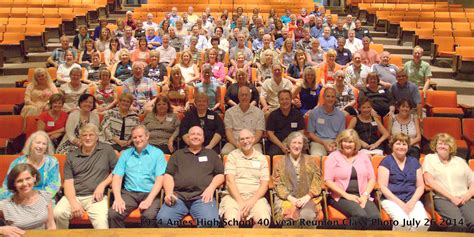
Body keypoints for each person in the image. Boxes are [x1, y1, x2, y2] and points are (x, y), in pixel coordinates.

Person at [156, 126, 224, 228]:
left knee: (211, 222)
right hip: (178, 197)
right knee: (163, 220)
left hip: (202, 198)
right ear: (188, 137)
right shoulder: (177, 154)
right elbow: (168, 175)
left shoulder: (211, 154)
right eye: (193, 134)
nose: (195, 136)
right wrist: (169, 193)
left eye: (198, 134)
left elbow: (220, 174)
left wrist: (211, 188)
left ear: (203, 138)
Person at [54, 124, 116, 229]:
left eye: (91, 135)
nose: (87, 138)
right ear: (80, 138)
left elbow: (117, 171)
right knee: (58, 213)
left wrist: (103, 184)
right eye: (84, 135)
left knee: (101, 221)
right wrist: (73, 203)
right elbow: (68, 182)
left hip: (97, 197)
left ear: (97, 137)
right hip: (75, 196)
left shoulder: (107, 150)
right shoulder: (71, 156)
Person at [108, 125, 166, 228]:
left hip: (150, 193)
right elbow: (117, 177)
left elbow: (160, 179)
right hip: (129, 194)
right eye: (135, 137)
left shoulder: (158, 154)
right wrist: (117, 198)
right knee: (113, 214)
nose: (138, 139)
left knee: (149, 216)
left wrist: (149, 200)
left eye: (140, 136)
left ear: (147, 136)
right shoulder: (126, 154)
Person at [324, 129, 383, 230]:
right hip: (340, 197)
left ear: (356, 143)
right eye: (345, 141)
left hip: (361, 196)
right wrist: (347, 195)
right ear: (340, 142)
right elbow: (328, 181)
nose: (347, 144)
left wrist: (365, 195)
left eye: (350, 142)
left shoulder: (364, 156)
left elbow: (372, 178)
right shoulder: (333, 156)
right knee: (360, 216)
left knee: (375, 218)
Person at [423, 133, 474, 233]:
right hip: (443, 199)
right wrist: (452, 197)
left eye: (446, 144)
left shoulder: (460, 161)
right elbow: (429, 181)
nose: (442, 146)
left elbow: (472, 180)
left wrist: (468, 194)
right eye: (440, 143)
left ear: (451, 147)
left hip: (464, 198)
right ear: (435, 145)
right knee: (458, 225)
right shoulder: (430, 158)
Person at [220, 129, 271, 228]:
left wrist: (251, 202)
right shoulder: (232, 156)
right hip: (233, 197)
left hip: (256, 198)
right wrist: (241, 202)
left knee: (264, 222)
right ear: (238, 142)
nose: (245, 141)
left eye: (247, 138)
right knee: (231, 222)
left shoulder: (261, 158)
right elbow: (230, 181)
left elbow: (264, 184)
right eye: (242, 139)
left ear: (253, 139)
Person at [378, 133, 429, 231]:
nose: (401, 147)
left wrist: (412, 202)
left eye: (404, 144)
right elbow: (383, 187)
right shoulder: (386, 162)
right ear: (392, 145)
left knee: (422, 224)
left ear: (408, 147)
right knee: (402, 223)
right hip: (391, 200)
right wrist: (401, 204)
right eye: (398, 144)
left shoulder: (414, 162)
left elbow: (420, 186)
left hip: (411, 199)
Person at [272, 131, 322, 227]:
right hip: (287, 199)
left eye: (299, 143)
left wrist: (307, 196)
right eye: (294, 142)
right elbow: (278, 184)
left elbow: (317, 180)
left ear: (303, 145)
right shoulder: (280, 163)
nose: (296, 146)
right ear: (288, 144)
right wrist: (292, 199)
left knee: (307, 216)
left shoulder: (311, 161)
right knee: (289, 217)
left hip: (307, 198)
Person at [0, 131, 60, 200]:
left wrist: (37, 198)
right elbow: (8, 184)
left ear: (47, 148)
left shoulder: (52, 162)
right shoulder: (18, 162)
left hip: (42, 199)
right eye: (38, 143)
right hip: (19, 197)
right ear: (30, 145)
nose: (40, 146)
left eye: (44, 144)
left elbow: (55, 185)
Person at [0, 164, 56, 231]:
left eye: (28, 178)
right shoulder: (5, 205)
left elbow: (51, 225)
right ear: (14, 183)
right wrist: (1, 229)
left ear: (34, 178)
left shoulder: (45, 196)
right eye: (19, 181)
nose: (25, 184)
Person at [222, 86, 265, 155]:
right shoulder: (229, 112)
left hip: (253, 143)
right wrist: (237, 144)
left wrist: (248, 144)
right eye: (242, 95)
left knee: (258, 153)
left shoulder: (259, 113)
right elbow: (229, 133)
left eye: (246, 95)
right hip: (234, 142)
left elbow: (258, 134)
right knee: (225, 152)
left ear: (250, 96)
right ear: (238, 97)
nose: (244, 97)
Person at [307, 85, 345, 156]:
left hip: (335, 142)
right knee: (316, 156)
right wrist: (324, 143)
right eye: (328, 96)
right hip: (318, 142)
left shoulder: (341, 115)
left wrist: (334, 143)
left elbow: (341, 134)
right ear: (323, 97)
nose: (330, 99)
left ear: (335, 98)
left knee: (339, 157)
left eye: (332, 97)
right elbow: (311, 134)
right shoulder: (314, 113)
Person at [266, 89, 305, 158]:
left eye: (287, 99)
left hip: (295, 143)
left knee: (303, 154)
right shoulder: (273, 115)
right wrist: (282, 146)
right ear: (279, 101)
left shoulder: (298, 114)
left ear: (291, 100)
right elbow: (270, 134)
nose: (285, 101)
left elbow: (301, 132)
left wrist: (293, 144)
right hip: (277, 144)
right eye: (282, 99)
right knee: (273, 154)